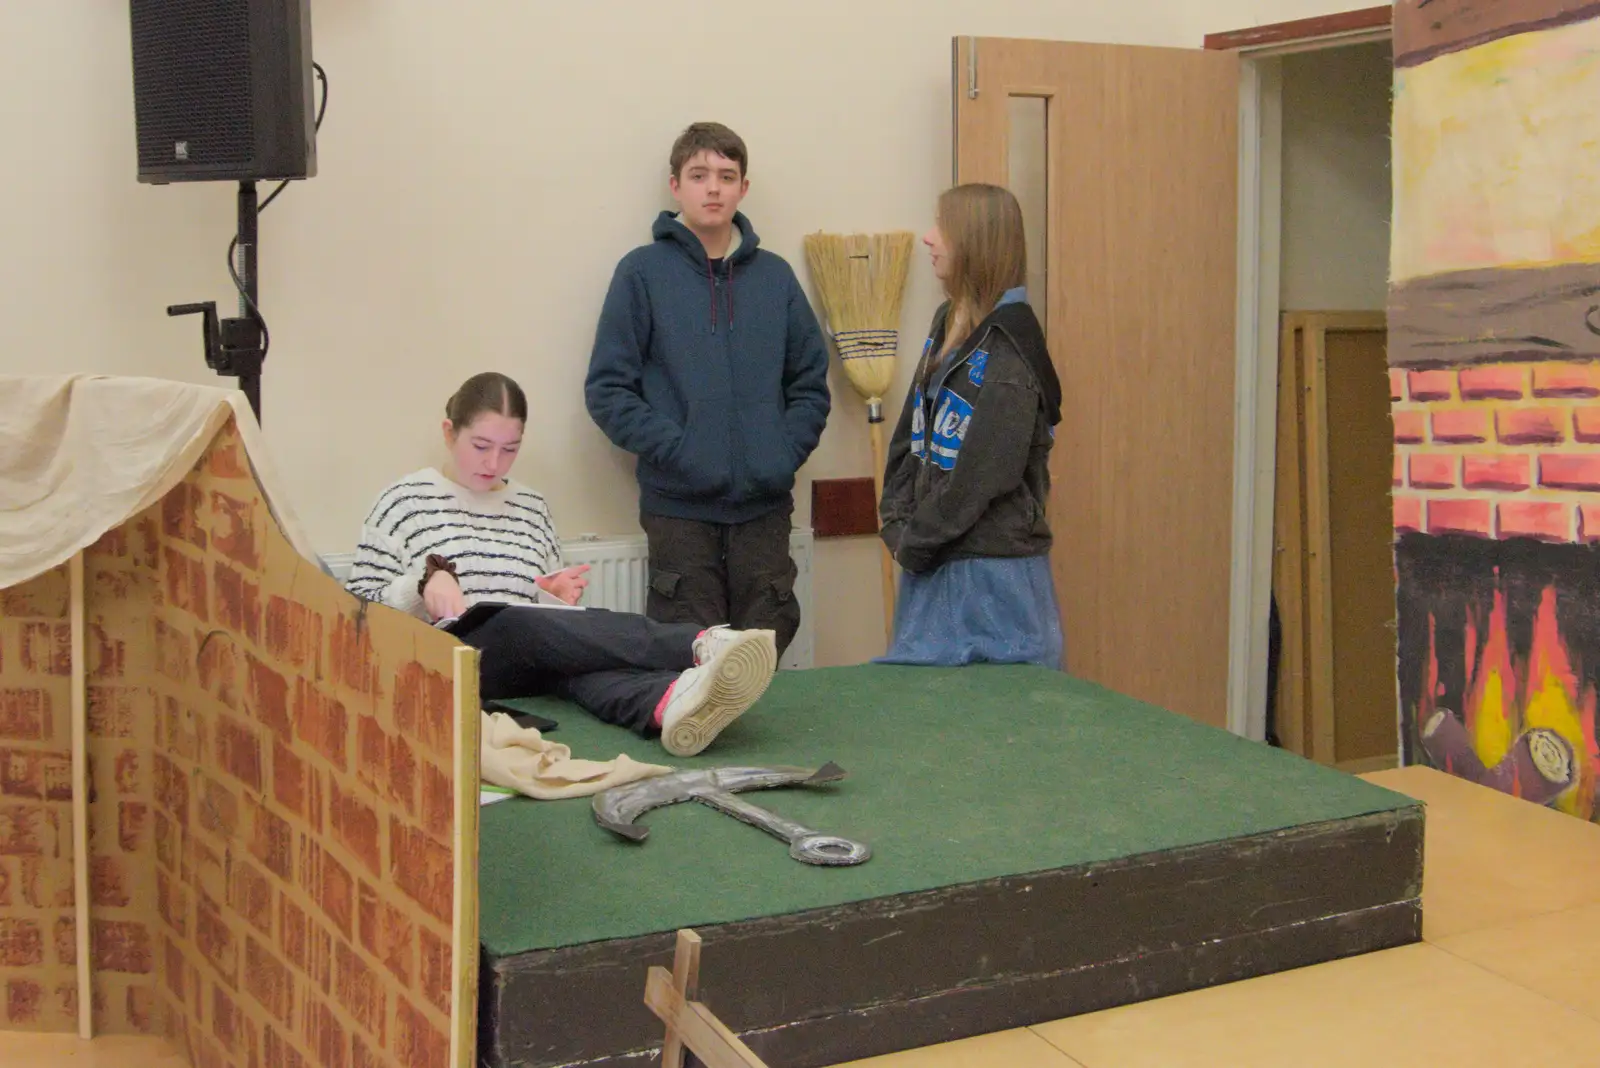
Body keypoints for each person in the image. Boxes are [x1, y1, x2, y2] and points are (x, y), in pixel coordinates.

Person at [344, 372, 777, 757]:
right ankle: (699, 643)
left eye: (509, 449)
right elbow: (354, 612)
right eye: (480, 446)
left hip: (527, 653)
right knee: (513, 622)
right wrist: (423, 582)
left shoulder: (531, 507)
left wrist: (552, 595)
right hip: (451, 659)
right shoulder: (404, 501)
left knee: (582, 658)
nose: (493, 463)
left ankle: (672, 703)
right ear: (448, 432)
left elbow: (548, 621)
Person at [585, 121, 831, 659]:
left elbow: (811, 385)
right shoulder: (642, 275)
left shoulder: (776, 278)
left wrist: (780, 453)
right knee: (688, 658)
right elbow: (608, 390)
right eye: (699, 175)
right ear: (676, 186)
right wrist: (679, 451)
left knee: (760, 654)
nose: (713, 187)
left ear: (744, 187)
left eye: (726, 175)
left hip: (763, 511)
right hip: (680, 512)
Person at [876, 183, 1064, 669]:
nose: (928, 238)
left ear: (975, 242)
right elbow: (909, 435)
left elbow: (986, 475)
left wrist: (914, 540)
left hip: (990, 579)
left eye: (942, 227)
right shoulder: (948, 322)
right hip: (932, 562)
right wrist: (895, 522)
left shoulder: (1011, 347)